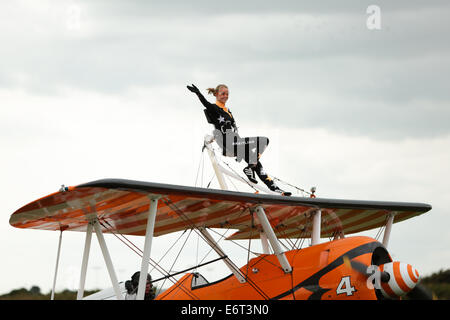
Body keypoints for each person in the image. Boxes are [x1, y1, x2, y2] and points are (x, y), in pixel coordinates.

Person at [187, 83, 291, 196]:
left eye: (227, 94)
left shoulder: (227, 110)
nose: (225, 96)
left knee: (259, 166)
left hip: (237, 142)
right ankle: (250, 166)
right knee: (263, 141)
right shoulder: (215, 108)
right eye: (223, 94)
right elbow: (206, 104)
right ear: (216, 94)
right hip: (229, 143)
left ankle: (276, 189)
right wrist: (198, 93)